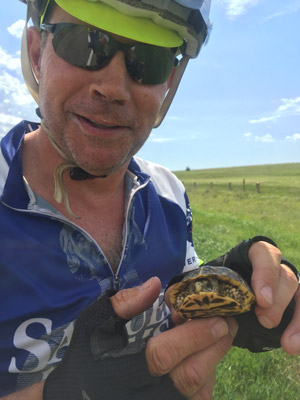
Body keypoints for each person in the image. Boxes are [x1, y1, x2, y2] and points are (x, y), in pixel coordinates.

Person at [0, 0, 299, 399]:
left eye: (150, 60)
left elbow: (171, 307)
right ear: (37, 52)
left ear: (169, 84)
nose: (113, 87)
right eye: (87, 44)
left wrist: (244, 294)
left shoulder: (168, 193)